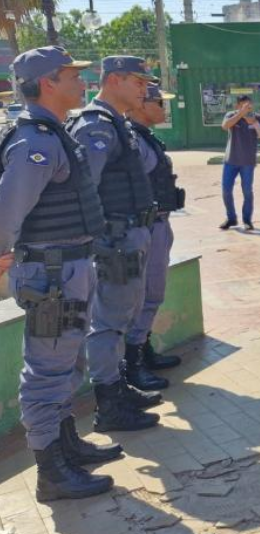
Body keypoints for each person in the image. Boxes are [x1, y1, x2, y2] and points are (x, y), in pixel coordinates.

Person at [1, 46, 120, 502]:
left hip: (68, 266)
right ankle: (51, 472)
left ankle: (66, 445)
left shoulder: (54, 133)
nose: (82, 83)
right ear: (48, 82)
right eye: (72, 75)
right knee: (47, 371)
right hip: (50, 274)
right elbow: (7, 210)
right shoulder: (35, 142)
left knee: (68, 363)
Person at [68, 56, 161, 433]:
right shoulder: (96, 127)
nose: (144, 89)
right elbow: (85, 186)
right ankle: (109, 404)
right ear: (115, 80)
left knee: (121, 318)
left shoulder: (116, 123)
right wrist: (100, 237)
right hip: (114, 240)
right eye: (138, 82)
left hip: (128, 234)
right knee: (107, 323)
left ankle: (118, 388)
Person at [124, 83, 185, 392]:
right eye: (159, 103)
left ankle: (142, 348)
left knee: (152, 293)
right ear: (140, 104)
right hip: (145, 228)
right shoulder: (132, 139)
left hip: (157, 224)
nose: (164, 108)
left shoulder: (145, 137)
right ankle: (132, 362)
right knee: (144, 295)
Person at [219, 94, 260, 231]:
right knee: (226, 190)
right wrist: (240, 114)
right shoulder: (231, 115)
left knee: (247, 191)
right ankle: (231, 218)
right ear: (238, 106)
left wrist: (255, 123)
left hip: (248, 162)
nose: (248, 107)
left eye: (249, 105)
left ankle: (247, 220)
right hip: (231, 161)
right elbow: (225, 126)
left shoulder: (257, 118)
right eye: (244, 105)